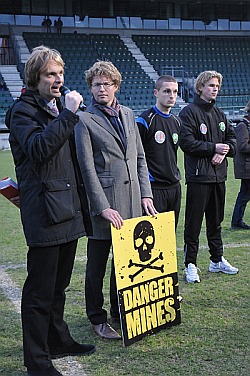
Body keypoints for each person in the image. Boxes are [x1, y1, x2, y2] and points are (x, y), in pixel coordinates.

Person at [7, 45, 95, 376]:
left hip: (68, 209)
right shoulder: (22, 111)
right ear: (34, 78)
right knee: (39, 293)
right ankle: (37, 361)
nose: (58, 80)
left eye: (59, 73)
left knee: (59, 287)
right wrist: (69, 114)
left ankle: (58, 340)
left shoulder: (56, 106)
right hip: (45, 213)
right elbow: (39, 150)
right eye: (50, 74)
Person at [75, 61, 157, 339]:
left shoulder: (129, 114)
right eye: (96, 84)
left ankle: (119, 312)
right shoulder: (84, 120)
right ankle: (96, 318)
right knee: (96, 265)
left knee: (124, 264)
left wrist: (146, 194)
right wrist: (102, 207)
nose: (101, 88)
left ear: (116, 86)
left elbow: (140, 158)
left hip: (133, 201)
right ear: (91, 88)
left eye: (106, 83)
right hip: (104, 206)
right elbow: (86, 168)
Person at [179, 70, 238, 283]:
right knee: (193, 224)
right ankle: (190, 264)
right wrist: (214, 147)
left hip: (219, 178)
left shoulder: (220, 114)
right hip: (198, 177)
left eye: (217, 86)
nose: (215, 89)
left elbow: (232, 140)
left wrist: (223, 152)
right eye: (211, 85)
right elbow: (186, 142)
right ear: (200, 87)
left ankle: (216, 260)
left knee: (216, 222)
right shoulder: (189, 112)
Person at [136, 75, 182, 228]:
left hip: (174, 187)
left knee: (169, 236)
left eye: (175, 92)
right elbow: (135, 156)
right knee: (153, 237)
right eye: (167, 91)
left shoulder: (177, 121)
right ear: (156, 93)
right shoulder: (145, 120)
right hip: (154, 188)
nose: (172, 96)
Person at [231, 100, 250, 229]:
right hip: (246, 167)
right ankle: (237, 221)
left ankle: (237, 221)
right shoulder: (243, 126)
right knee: (244, 195)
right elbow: (243, 147)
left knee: (244, 194)